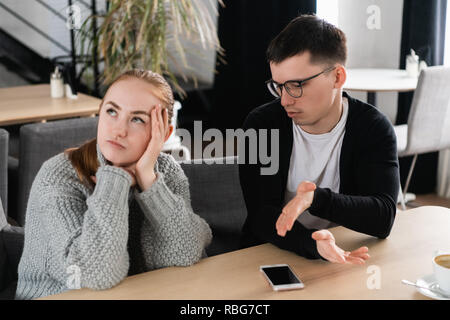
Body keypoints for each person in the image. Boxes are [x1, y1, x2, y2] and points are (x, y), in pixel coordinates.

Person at [15, 69, 212, 300]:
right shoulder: (58, 177)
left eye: (137, 119)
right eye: (111, 111)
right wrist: (113, 183)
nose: (119, 130)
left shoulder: (165, 171)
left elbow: (185, 252)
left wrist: (149, 181)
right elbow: (98, 274)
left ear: (164, 132)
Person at [239, 14, 399, 264]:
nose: (285, 100)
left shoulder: (373, 128)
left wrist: (316, 199)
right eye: (279, 86)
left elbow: (383, 218)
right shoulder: (260, 125)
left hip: (347, 255)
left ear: (337, 77)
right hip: (271, 254)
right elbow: (262, 217)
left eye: (295, 85)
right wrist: (314, 245)